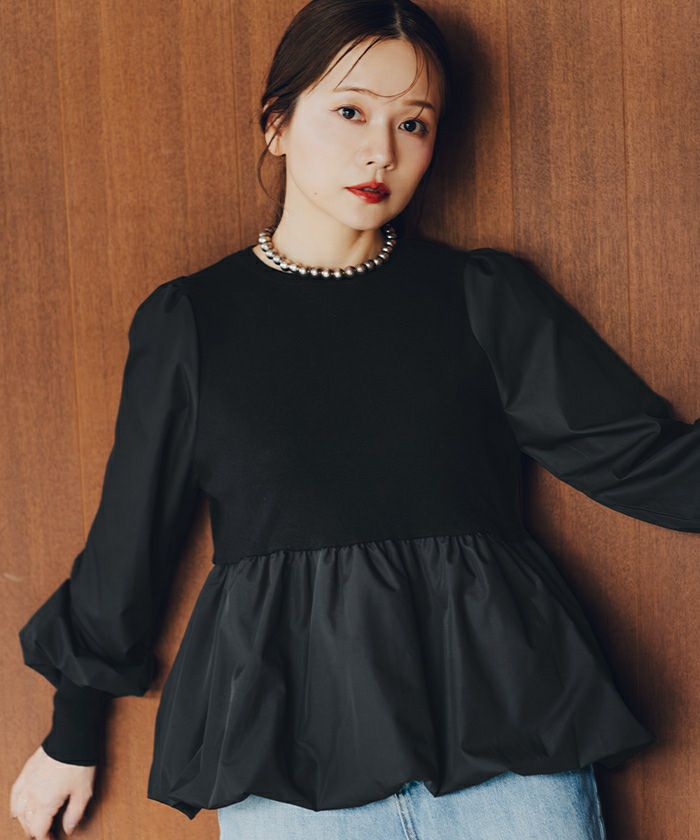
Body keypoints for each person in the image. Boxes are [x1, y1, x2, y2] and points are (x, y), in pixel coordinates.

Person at [10, 1, 699, 838]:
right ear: (277, 124)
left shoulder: (483, 297)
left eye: (414, 123)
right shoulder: (194, 320)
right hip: (288, 748)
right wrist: (73, 731)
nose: (382, 150)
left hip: (502, 727)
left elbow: (639, 458)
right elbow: (131, 536)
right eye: (350, 111)